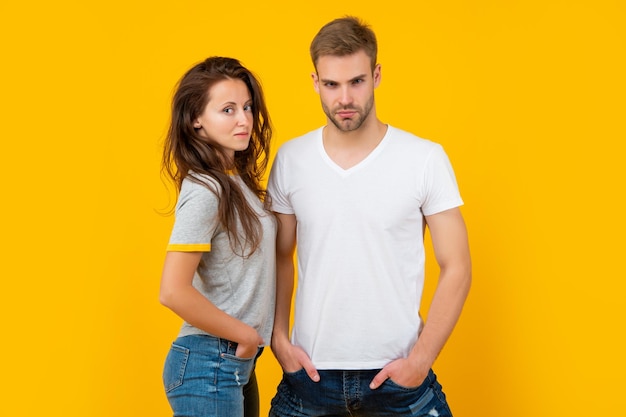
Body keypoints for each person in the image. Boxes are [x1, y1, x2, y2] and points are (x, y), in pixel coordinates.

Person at [267, 16, 472, 417]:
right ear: (315, 82)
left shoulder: (424, 159)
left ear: (376, 75)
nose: (344, 97)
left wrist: (420, 360)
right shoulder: (291, 160)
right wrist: (277, 339)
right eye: (331, 84)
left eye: (356, 81)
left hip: (399, 377)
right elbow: (278, 257)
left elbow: (457, 265)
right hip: (309, 376)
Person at [159, 56, 276, 417]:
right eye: (227, 110)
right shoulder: (206, 189)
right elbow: (172, 290)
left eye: (246, 107)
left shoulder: (235, 183)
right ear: (196, 120)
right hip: (210, 362)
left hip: (234, 362)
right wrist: (245, 335)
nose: (244, 119)